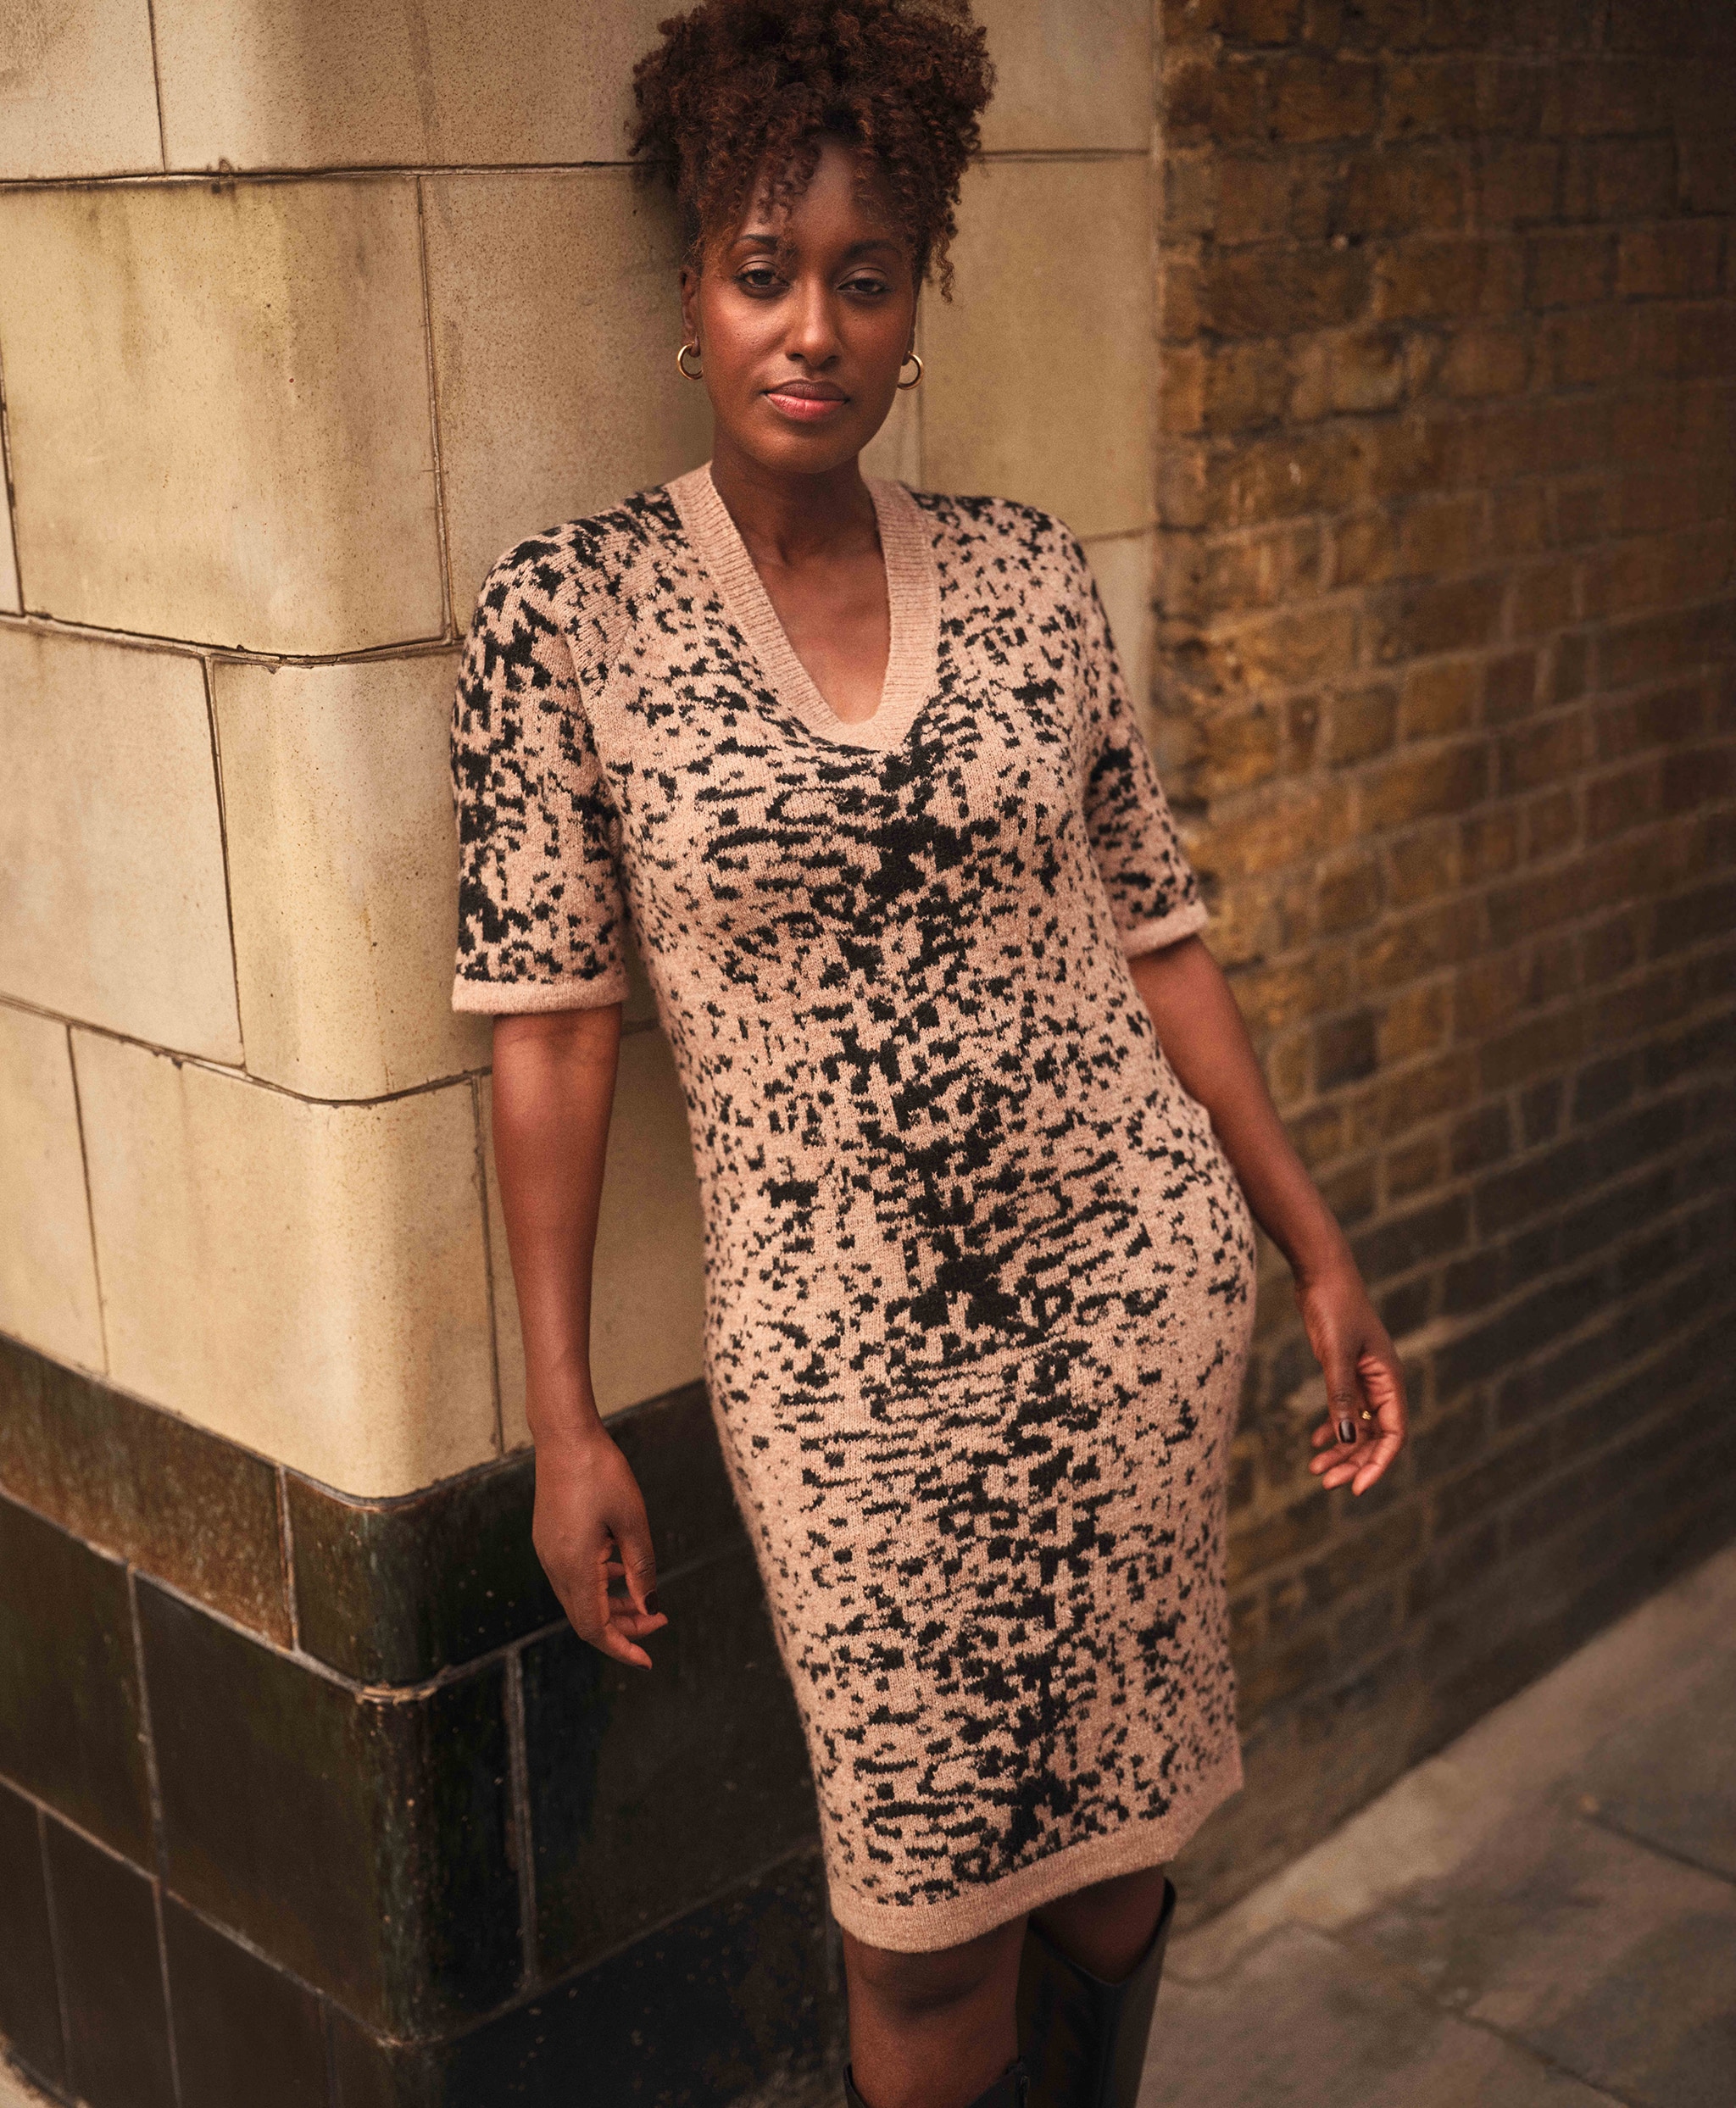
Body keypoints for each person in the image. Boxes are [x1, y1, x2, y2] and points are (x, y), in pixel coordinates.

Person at [449, 3, 1408, 2103]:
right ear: (693, 297)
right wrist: (561, 1412)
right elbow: (545, 1032)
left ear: (915, 302)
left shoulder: (1030, 578)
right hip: (844, 1374)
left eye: (862, 277)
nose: (813, 326)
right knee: (920, 1937)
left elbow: (1158, 934)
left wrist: (1309, 1237)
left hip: (1133, 1299)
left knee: (1115, 1881)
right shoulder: (571, 616)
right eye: (762, 269)